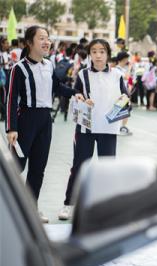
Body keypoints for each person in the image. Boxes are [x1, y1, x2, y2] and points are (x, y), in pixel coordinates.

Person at [5, 26, 84, 223]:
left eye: (47, 38)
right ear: (29, 43)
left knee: (38, 168)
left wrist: (76, 93)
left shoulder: (49, 65)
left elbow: (57, 88)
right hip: (25, 121)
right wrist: (11, 128)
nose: (46, 42)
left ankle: (31, 208)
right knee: (16, 167)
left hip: (45, 121)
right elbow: (11, 99)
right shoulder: (19, 68)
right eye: (41, 38)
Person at [58, 39, 129, 221]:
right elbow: (75, 98)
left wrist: (115, 111)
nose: (98, 55)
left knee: (108, 168)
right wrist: (81, 101)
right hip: (85, 129)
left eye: (102, 51)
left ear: (108, 54)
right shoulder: (82, 75)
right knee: (79, 166)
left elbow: (125, 100)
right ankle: (68, 205)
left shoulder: (117, 75)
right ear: (90, 54)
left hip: (108, 129)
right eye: (94, 51)